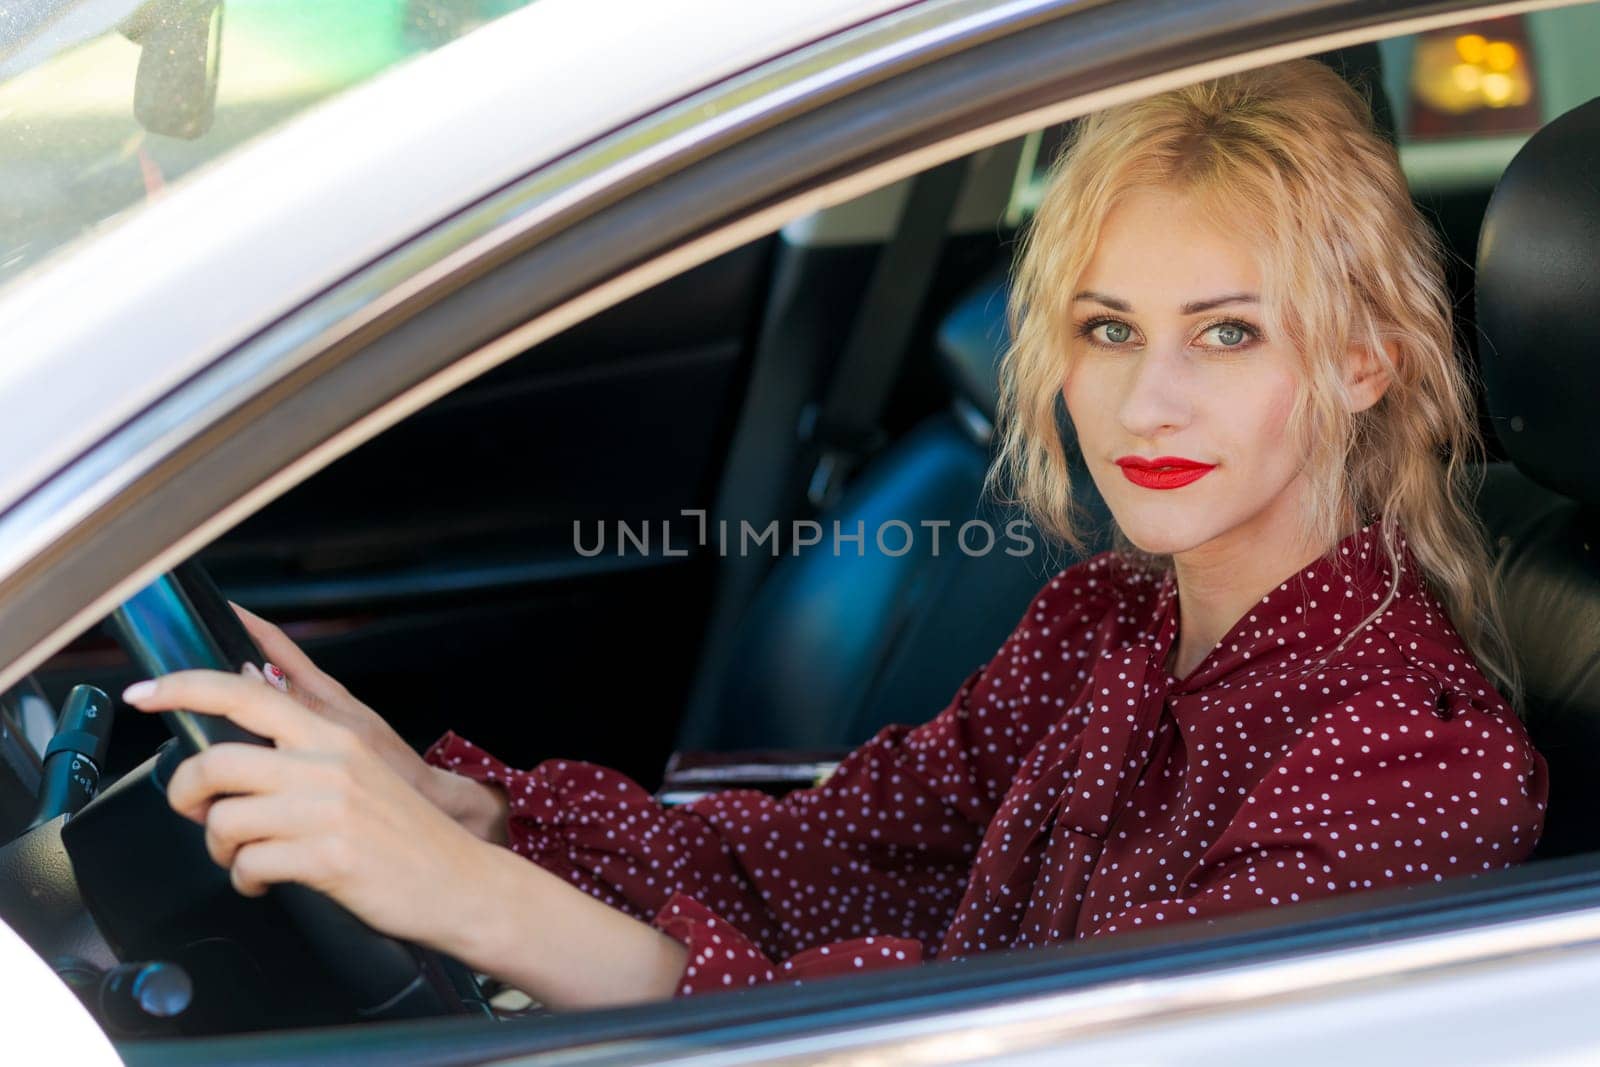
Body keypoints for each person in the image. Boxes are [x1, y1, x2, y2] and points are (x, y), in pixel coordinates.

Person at [121, 58, 1548, 1009]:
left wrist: (482, 906)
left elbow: (1056, 1050)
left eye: (1226, 333)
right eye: (1108, 330)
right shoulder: (1105, 620)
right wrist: (469, 816)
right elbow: (825, 857)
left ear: (1365, 360)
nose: (1146, 398)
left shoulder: (1406, 759)